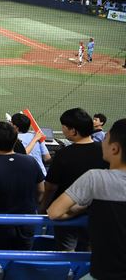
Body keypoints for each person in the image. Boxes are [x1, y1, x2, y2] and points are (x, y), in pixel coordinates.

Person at [47, 118, 126, 280]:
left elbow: (54, 212)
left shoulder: (95, 178)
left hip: (105, 273)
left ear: (115, 148)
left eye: (105, 139)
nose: (102, 142)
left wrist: (83, 207)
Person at [40, 108, 109, 251]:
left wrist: (42, 207)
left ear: (73, 131)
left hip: (66, 213)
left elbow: (50, 187)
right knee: (87, 252)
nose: (63, 130)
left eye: (64, 127)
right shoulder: (105, 151)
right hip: (94, 212)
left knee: (66, 252)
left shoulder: (63, 154)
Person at [0, 121, 45, 250]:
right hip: (26, 222)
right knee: (22, 259)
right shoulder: (30, 162)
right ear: (16, 139)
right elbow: (41, 191)